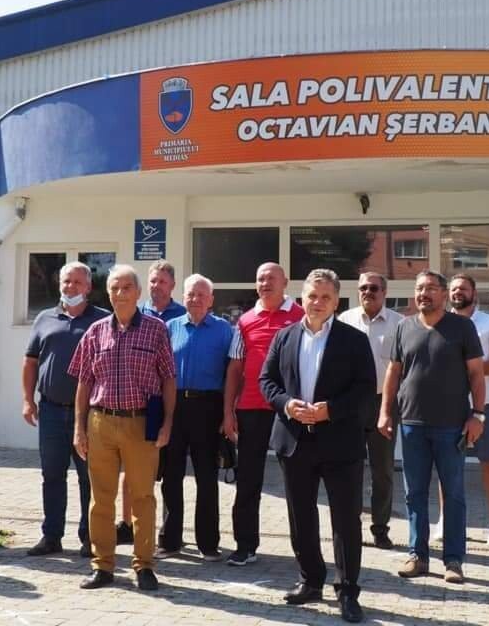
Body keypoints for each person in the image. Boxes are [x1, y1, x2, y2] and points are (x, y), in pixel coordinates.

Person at [261, 269, 375, 623]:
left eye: (325, 297)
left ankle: (348, 591)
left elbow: (365, 388)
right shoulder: (284, 336)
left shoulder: (354, 340)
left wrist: (331, 410)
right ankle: (311, 580)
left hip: (340, 442)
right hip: (295, 442)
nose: (318, 302)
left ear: (336, 301)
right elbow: (267, 380)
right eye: (312, 296)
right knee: (301, 516)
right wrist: (286, 404)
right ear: (302, 298)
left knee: (346, 520)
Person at [69, 264, 176, 591]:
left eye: (126, 288)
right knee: (101, 499)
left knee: (143, 497)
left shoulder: (156, 330)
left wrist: (168, 423)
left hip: (140, 423)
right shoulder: (95, 331)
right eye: (114, 288)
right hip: (100, 422)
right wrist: (79, 427)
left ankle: (144, 566)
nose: (120, 293)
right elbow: (84, 382)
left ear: (138, 292)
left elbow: (168, 379)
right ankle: (102, 566)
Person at [378, 270, 485, 584]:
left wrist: (478, 415)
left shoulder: (462, 327)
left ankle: (453, 560)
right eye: (419, 288)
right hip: (412, 424)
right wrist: (385, 412)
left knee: (453, 495)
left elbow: (477, 374)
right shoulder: (404, 327)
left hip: (452, 426)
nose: (423, 294)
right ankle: (417, 555)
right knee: (414, 493)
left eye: (430, 288)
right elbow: (393, 373)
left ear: (443, 293)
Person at [22, 262, 109, 557]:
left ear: (89, 287)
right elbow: (30, 362)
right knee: (52, 475)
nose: (70, 287)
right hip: (51, 411)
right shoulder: (44, 318)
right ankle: (51, 536)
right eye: (66, 281)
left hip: (90, 414)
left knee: (90, 477)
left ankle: (90, 537)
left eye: (77, 282)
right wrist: (27, 400)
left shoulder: (102, 320)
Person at [222, 262, 304, 566]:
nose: (265, 283)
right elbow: (234, 369)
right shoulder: (244, 321)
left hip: (289, 410)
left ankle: (304, 551)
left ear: (285, 282)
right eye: (260, 279)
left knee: (297, 482)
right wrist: (228, 412)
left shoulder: (301, 316)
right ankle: (245, 546)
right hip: (251, 410)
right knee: (248, 481)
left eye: (271, 278)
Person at [108, 258, 188, 546]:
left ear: (172, 285)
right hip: (140, 402)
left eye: (162, 281)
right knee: (131, 469)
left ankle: (167, 530)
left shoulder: (182, 315)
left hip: (169, 398)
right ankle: (127, 524)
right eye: (153, 280)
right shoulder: (135, 312)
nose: (157, 286)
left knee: (169, 471)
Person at [157, 274, 233, 560]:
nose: (196, 299)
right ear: (183, 297)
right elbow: (159, 371)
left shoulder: (225, 331)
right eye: (191, 294)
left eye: (202, 294)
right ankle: (170, 541)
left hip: (208, 408)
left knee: (207, 476)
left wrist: (227, 413)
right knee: (171, 475)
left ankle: (208, 543)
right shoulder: (170, 327)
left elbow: (232, 374)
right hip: (174, 406)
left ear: (211, 300)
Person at [434, 274, 489, 548]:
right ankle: (445, 519)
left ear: (474, 293)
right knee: (448, 464)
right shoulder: (440, 322)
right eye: (453, 289)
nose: (457, 292)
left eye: (463, 288)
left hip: (483, 402)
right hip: (448, 403)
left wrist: (464, 367)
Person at [337, 272, 402, 549]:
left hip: (383, 404)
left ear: (384, 292)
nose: (368, 292)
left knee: (382, 470)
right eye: (363, 287)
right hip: (351, 403)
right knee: (349, 467)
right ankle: (350, 526)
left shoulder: (399, 323)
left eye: (374, 288)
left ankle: (380, 528)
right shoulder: (345, 320)